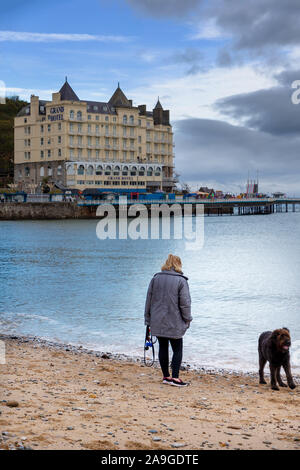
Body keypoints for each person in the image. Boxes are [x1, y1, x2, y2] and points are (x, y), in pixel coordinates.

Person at [144, 254, 192, 387]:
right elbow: (185, 303)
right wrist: (188, 319)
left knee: (163, 347)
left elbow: (149, 300)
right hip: (175, 321)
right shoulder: (181, 281)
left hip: (157, 320)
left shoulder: (156, 278)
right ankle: (175, 378)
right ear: (178, 265)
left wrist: (148, 319)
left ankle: (166, 376)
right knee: (177, 349)